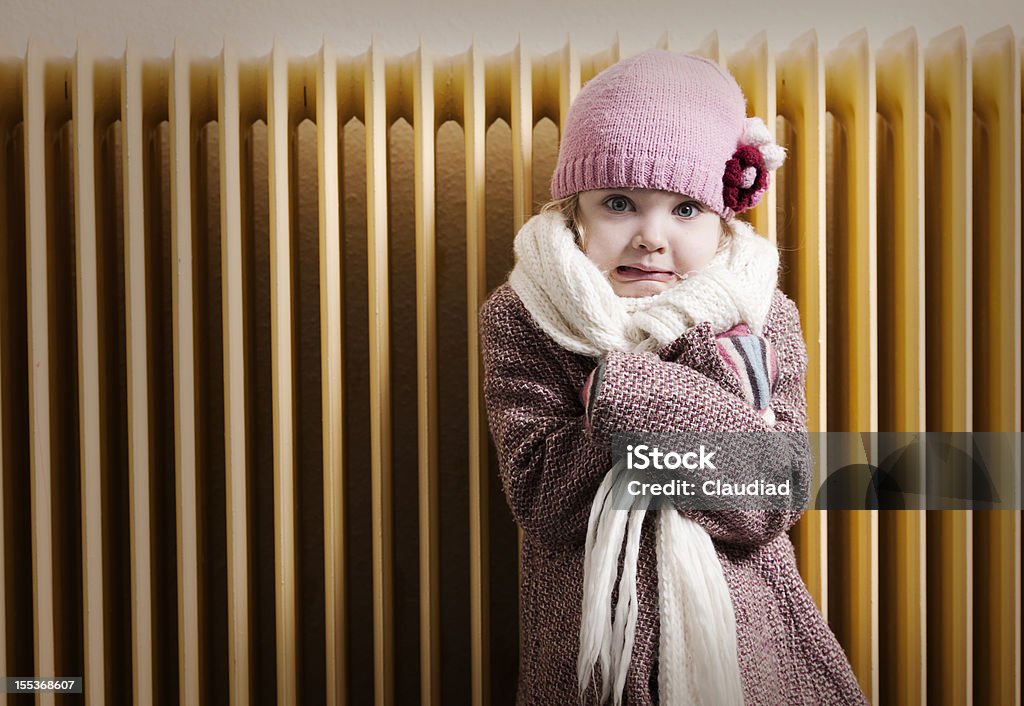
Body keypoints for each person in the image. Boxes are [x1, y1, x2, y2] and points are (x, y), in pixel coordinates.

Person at [478, 49, 867, 705]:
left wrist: (625, 396)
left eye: (685, 209)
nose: (651, 237)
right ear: (575, 211)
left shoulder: (761, 315)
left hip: (743, 645)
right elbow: (545, 498)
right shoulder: (523, 316)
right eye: (620, 203)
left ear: (723, 219)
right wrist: (688, 405)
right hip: (585, 649)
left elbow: (768, 496)